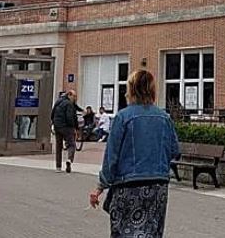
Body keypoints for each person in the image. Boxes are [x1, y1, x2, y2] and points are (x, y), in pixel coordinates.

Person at [88, 69, 180, 237]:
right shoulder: (164, 118)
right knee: (152, 232)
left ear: (131, 89)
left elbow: (111, 157)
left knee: (125, 232)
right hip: (158, 187)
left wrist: (100, 187)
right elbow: (175, 150)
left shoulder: (123, 117)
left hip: (128, 186)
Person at [51, 89, 81, 173]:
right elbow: (71, 117)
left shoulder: (58, 102)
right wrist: (75, 127)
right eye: (74, 96)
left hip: (57, 126)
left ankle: (58, 167)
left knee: (58, 146)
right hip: (67, 127)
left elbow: (52, 113)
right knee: (71, 144)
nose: (75, 98)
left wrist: (54, 123)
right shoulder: (69, 104)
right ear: (69, 95)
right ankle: (69, 159)